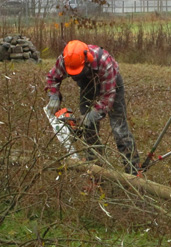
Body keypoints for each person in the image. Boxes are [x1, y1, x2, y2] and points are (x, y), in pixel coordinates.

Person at [44, 40, 140, 175]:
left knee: (119, 129)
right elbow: (52, 78)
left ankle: (134, 171)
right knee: (88, 130)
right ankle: (95, 170)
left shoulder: (104, 63)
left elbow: (107, 99)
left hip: (111, 85)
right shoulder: (66, 59)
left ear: (87, 62)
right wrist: (53, 95)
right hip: (87, 87)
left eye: (78, 72)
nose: (75, 75)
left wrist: (92, 116)